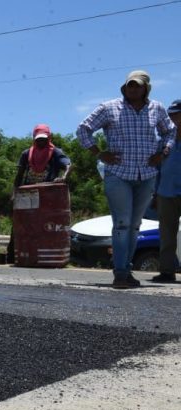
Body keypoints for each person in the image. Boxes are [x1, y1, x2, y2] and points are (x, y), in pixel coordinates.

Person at [77, 70, 176, 289]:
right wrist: (98, 153)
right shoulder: (109, 107)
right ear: (125, 87)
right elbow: (83, 129)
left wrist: (164, 152)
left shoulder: (157, 109)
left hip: (146, 175)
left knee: (134, 226)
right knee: (122, 224)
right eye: (130, 85)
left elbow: (170, 131)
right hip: (119, 174)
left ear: (145, 88)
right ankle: (120, 273)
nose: (133, 89)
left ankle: (127, 269)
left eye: (137, 86)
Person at [7, 124, 72, 262]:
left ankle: (42, 255)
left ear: (49, 138)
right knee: (21, 224)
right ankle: (14, 256)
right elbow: (19, 174)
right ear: (34, 139)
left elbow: (68, 165)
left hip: (47, 195)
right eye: (38, 139)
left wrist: (64, 177)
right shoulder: (26, 154)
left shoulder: (55, 152)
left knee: (44, 224)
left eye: (44, 139)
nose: (40, 142)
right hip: (27, 193)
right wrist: (14, 193)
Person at [151, 99, 181, 283]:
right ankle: (167, 271)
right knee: (166, 234)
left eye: (177, 115)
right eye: (171, 116)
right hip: (165, 193)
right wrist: (155, 193)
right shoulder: (163, 142)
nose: (173, 120)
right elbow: (157, 170)